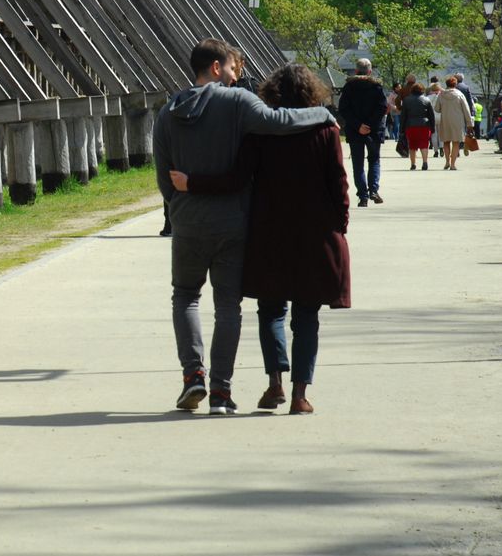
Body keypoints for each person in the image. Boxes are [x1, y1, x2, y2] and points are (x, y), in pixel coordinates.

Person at [154, 39, 334, 415]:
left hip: (187, 221)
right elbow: (280, 120)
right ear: (216, 68)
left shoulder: (168, 111)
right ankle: (220, 391)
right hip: (232, 222)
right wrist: (323, 114)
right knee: (227, 306)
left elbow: (164, 178)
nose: (238, 77)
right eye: (234, 69)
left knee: (185, 296)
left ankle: (193, 375)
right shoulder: (236, 103)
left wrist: (181, 207)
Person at [337, 58, 387, 207]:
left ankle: (363, 196)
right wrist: (370, 124)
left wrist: (358, 125)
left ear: (356, 71)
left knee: (357, 164)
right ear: (370, 71)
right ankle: (373, 190)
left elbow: (344, 109)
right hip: (373, 130)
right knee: (374, 160)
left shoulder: (349, 87)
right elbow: (382, 108)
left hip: (354, 130)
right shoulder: (377, 87)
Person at [433, 75, 474, 170]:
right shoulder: (459, 95)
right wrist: (469, 123)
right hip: (457, 122)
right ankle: (453, 164)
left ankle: (447, 161)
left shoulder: (441, 95)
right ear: (455, 84)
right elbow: (466, 110)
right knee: (456, 143)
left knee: (446, 142)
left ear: (446, 84)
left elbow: (437, 109)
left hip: (445, 121)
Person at [401, 83, 434, 170]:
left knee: (412, 145)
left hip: (410, 125)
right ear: (422, 90)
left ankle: (413, 164)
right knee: (424, 144)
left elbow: (403, 116)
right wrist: (433, 128)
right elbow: (431, 116)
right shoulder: (427, 100)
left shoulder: (406, 100)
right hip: (424, 125)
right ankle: (425, 162)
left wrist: (401, 129)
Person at [455, 74, 474, 155]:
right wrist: (471, 111)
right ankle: (464, 144)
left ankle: (457, 147)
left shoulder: (453, 87)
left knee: (456, 129)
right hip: (465, 110)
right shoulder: (466, 87)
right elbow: (470, 100)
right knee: (465, 128)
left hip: (455, 111)